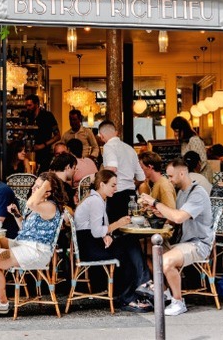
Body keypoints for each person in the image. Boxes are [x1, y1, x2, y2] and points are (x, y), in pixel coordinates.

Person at [0, 172, 66, 315]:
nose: (33, 189)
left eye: (38, 187)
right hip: (24, 244)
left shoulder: (50, 207)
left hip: (36, 251)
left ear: (48, 192)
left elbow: (31, 202)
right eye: (34, 185)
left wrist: (46, 184)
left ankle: (1, 302)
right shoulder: (39, 207)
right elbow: (26, 230)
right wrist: (17, 215)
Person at [138, 158, 213, 316]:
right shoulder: (182, 193)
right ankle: (164, 292)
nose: (169, 180)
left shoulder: (197, 193)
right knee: (143, 249)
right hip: (183, 242)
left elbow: (178, 218)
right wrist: (158, 211)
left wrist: (156, 202)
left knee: (165, 260)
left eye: (171, 176)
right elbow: (174, 218)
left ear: (182, 173)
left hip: (198, 243)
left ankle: (178, 302)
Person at [75, 169, 152, 312]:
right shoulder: (96, 201)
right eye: (113, 185)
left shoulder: (96, 199)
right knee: (127, 249)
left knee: (128, 243)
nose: (116, 189)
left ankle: (139, 286)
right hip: (90, 248)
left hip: (89, 244)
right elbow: (97, 231)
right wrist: (119, 223)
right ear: (102, 185)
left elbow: (97, 228)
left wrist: (107, 235)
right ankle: (132, 293)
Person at [98, 120, 145, 224]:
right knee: (131, 230)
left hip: (116, 196)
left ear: (101, 136)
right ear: (116, 132)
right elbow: (141, 177)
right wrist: (130, 184)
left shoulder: (108, 146)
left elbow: (112, 168)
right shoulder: (130, 148)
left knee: (117, 231)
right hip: (131, 196)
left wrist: (98, 179)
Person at [24, 94, 60, 173]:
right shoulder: (26, 116)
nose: (27, 108)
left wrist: (42, 145)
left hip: (45, 154)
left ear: (36, 104)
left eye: (30, 105)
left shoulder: (47, 116)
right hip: (29, 153)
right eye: (26, 105)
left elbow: (57, 136)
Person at [171, 116, 210, 181]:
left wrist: (193, 175)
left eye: (177, 131)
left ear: (184, 130)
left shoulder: (194, 140)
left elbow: (202, 161)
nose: (175, 134)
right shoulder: (184, 142)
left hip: (201, 176)